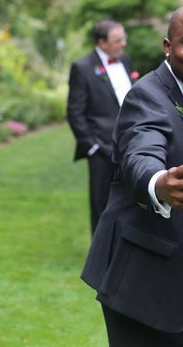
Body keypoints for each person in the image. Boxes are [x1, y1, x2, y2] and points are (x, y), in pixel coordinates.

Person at [81, 4, 183, 347]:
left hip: (182, 275)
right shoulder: (148, 95)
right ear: (167, 46)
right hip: (142, 276)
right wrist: (159, 184)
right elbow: (140, 154)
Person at [67, 18, 137, 234]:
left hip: (130, 145)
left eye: (123, 38)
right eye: (117, 40)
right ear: (102, 43)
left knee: (130, 200)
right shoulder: (83, 67)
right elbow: (75, 112)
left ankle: (122, 247)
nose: (123, 43)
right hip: (101, 149)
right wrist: (92, 146)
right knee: (101, 204)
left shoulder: (125, 61)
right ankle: (99, 256)